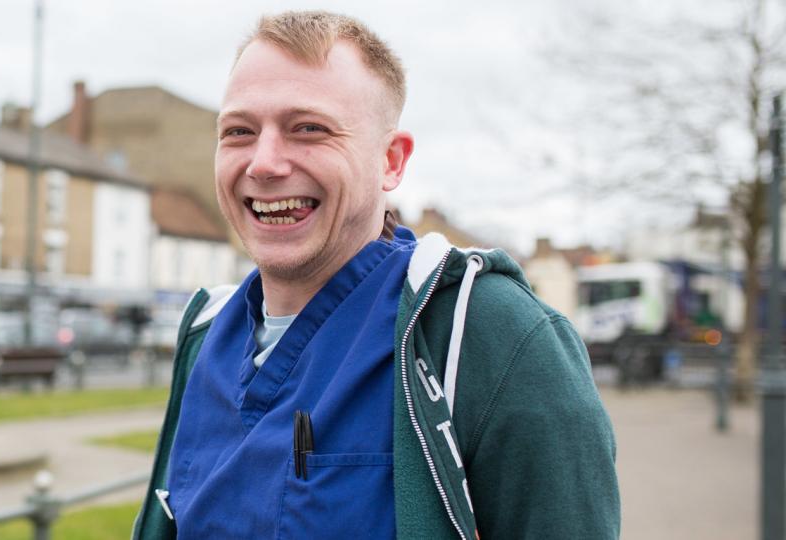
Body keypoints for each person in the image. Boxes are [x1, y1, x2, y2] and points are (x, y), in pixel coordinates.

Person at [133, 11, 619, 539]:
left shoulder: (492, 337)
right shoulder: (207, 337)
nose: (264, 163)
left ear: (390, 160)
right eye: (239, 132)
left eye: (309, 129)